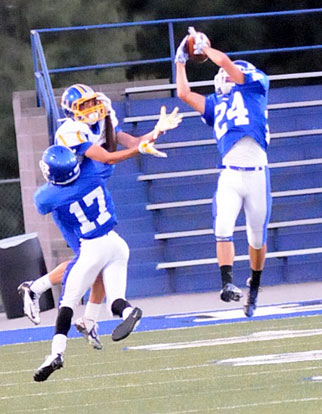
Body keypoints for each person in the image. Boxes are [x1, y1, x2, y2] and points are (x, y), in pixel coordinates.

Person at [18, 84, 181, 349]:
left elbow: (125, 141)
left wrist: (156, 132)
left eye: (93, 102)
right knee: (89, 258)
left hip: (93, 178)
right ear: (71, 110)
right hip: (71, 188)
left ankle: (89, 319)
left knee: (100, 259)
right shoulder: (70, 131)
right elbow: (106, 156)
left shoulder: (102, 117)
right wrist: (139, 150)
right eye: (84, 105)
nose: (92, 109)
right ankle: (35, 290)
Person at [33, 144, 159, 381]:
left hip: (91, 247)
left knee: (67, 304)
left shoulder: (48, 196)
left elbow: (43, 203)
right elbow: (104, 156)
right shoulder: (93, 171)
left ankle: (56, 354)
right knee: (116, 300)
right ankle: (129, 312)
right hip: (116, 242)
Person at [175, 27, 272, 317]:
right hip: (230, 172)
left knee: (257, 238)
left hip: (257, 173)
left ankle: (254, 284)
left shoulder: (255, 87)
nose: (223, 77)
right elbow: (183, 92)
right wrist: (180, 60)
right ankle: (227, 283)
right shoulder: (217, 104)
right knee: (222, 228)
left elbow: (227, 63)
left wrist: (204, 49)